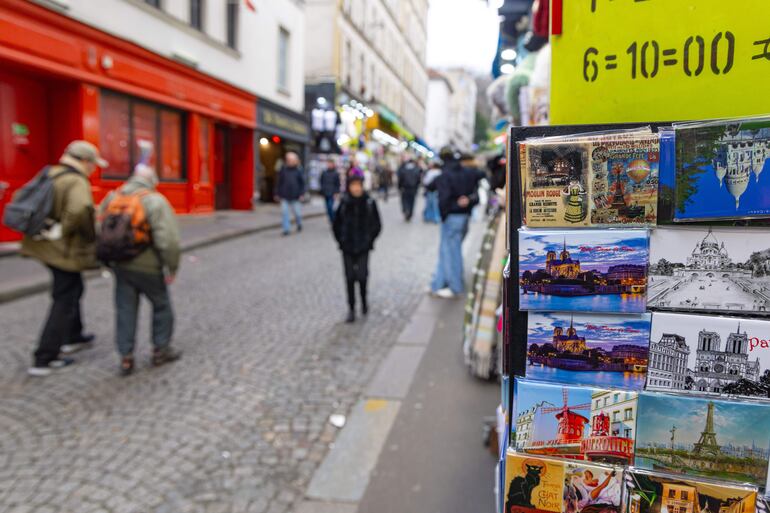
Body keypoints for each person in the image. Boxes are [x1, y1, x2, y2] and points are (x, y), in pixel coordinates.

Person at [20, 141, 105, 376]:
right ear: (85, 162)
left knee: (72, 288)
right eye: (93, 165)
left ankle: (73, 335)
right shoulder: (76, 180)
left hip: (42, 245)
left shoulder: (52, 173)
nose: (93, 169)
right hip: (61, 248)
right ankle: (45, 357)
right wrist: (65, 229)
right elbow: (79, 209)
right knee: (65, 297)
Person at [99, 161, 182, 376]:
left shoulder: (112, 198)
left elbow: (99, 228)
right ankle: (161, 349)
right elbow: (169, 241)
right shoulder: (155, 201)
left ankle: (126, 357)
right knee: (161, 305)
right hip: (148, 266)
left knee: (125, 308)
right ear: (152, 180)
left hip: (120, 265)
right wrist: (171, 267)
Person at [430, 148, 485, 298]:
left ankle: (454, 286)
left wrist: (444, 215)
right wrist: (468, 201)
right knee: (448, 251)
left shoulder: (446, 175)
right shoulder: (468, 172)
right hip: (463, 217)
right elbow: (476, 196)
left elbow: (443, 199)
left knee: (450, 252)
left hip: (452, 217)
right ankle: (437, 283)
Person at [333, 170, 382, 323]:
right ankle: (352, 308)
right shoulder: (343, 203)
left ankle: (364, 301)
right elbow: (336, 225)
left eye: (358, 185)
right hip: (347, 246)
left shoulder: (369, 202)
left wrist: (369, 239)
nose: (356, 188)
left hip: (363, 246)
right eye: (353, 185)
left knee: (362, 276)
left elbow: (377, 224)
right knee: (349, 277)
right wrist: (341, 240)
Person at [276, 152, 306, 235]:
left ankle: (299, 223)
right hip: (284, 195)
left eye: (292, 160)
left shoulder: (299, 170)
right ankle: (286, 229)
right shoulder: (283, 170)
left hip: (296, 196)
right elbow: (279, 182)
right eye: (289, 160)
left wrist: (302, 194)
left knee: (297, 213)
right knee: (284, 212)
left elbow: (302, 183)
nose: (290, 161)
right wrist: (277, 193)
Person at [396, 156, 421, 221]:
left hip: (405, 188)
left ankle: (406, 210)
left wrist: (399, 187)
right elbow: (418, 180)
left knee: (405, 200)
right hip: (413, 188)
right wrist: (417, 187)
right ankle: (410, 212)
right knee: (411, 201)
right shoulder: (416, 169)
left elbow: (400, 179)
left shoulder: (403, 169)